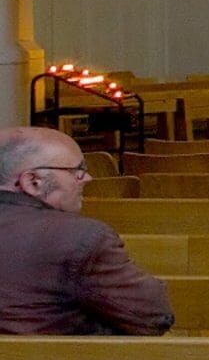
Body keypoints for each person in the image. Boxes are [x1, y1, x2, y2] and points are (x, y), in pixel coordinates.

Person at [0, 125, 172, 336]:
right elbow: (153, 316)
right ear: (33, 182)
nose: (87, 179)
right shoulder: (80, 237)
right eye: (77, 171)